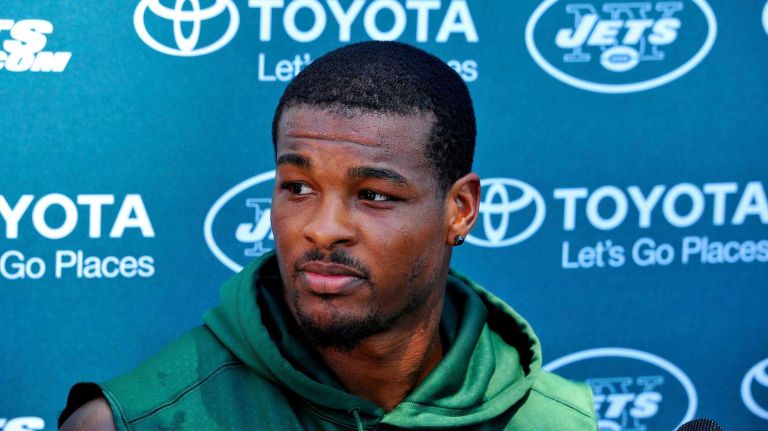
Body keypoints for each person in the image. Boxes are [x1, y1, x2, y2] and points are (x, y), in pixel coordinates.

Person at [59, 41, 597, 430]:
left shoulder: (556, 420)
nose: (322, 228)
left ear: (460, 210)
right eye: (297, 187)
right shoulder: (137, 422)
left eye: (374, 195)